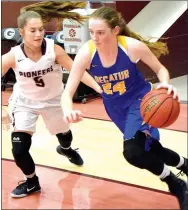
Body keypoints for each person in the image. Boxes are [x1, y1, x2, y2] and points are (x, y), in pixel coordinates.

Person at [61, 7, 188, 210]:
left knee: (132, 152)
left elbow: (160, 69)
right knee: (150, 149)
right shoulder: (87, 52)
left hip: (140, 101)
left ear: (115, 30)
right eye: (92, 32)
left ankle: (175, 183)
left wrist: (165, 83)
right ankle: (184, 164)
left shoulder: (131, 47)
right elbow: (67, 92)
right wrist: (68, 110)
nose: (95, 37)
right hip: (115, 108)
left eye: (101, 33)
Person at [2, 1, 101, 198]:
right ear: (21, 32)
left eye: (40, 29)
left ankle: (65, 149)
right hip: (25, 103)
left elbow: (77, 72)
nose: (38, 34)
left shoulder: (54, 50)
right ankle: (32, 182)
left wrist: (100, 89)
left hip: (54, 101)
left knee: (64, 135)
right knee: (19, 148)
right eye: (33, 30)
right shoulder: (12, 56)